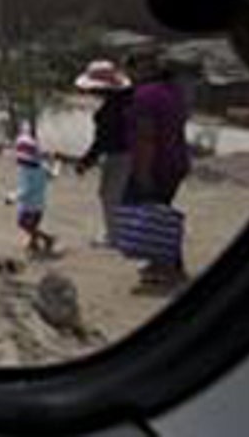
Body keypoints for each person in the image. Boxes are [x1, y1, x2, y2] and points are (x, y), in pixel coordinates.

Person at [120, 57, 194, 292]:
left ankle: (169, 268)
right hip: (176, 161)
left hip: (157, 165)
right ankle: (163, 264)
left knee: (145, 211)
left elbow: (146, 137)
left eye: (130, 70)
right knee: (158, 211)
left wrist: (143, 172)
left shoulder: (145, 96)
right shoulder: (173, 92)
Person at [72, 59, 134, 248]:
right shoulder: (126, 100)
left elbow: (102, 141)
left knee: (110, 195)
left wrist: (85, 162)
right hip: (131, 152)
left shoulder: (110, 110)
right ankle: (120, 232)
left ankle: (115, 237)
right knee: (119, 194)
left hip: (121, 154)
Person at [11, 131, 58, 256]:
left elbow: (26, 189)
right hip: (39, 205)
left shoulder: (27, 171)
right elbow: (52, 176)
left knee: (23, 223)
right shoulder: (42, 167)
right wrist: (55, 164)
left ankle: (47, 238)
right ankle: (35, 244)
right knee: (32, 227)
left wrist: (13, 197)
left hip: (28, 205)